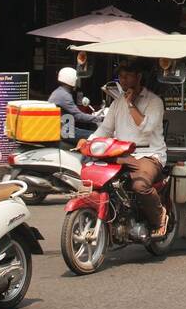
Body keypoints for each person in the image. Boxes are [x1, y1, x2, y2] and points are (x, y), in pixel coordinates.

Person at [93, 59, 168, 237]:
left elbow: (146, 128)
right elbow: (105, 128)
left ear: (139, 77)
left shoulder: (154, 101)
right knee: (97, 181)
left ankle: (159, 217)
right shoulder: (117, 102)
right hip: (121, 154)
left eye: (127, 76)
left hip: (149, 155)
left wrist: (131, 104)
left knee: (140, 186)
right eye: (121, 77)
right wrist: (89, 141)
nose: (123, 81)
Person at [49, 66, 94, 143]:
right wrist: (100, 119)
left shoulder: (60, 92)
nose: (78, 82)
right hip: (66, 132)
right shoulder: (64, 95)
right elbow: (78, 116)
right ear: (71, 80)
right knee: (97, 136)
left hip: (66, 128)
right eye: (76, 80)